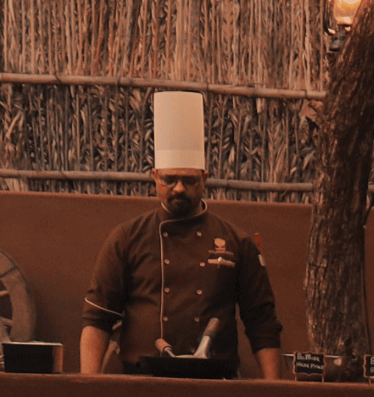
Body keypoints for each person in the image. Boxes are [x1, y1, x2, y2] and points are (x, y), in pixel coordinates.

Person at [81, 130, 284, 377]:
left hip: (215, 384)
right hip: (140, 383)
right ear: (155, 177)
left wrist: (273, 390)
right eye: (169, 179)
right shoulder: (127, 237)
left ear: (205, 178)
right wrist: (88, 386)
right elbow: (97, 319)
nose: (178, 188)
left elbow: (262, 323)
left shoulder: (237, 241)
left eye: (189, 180)